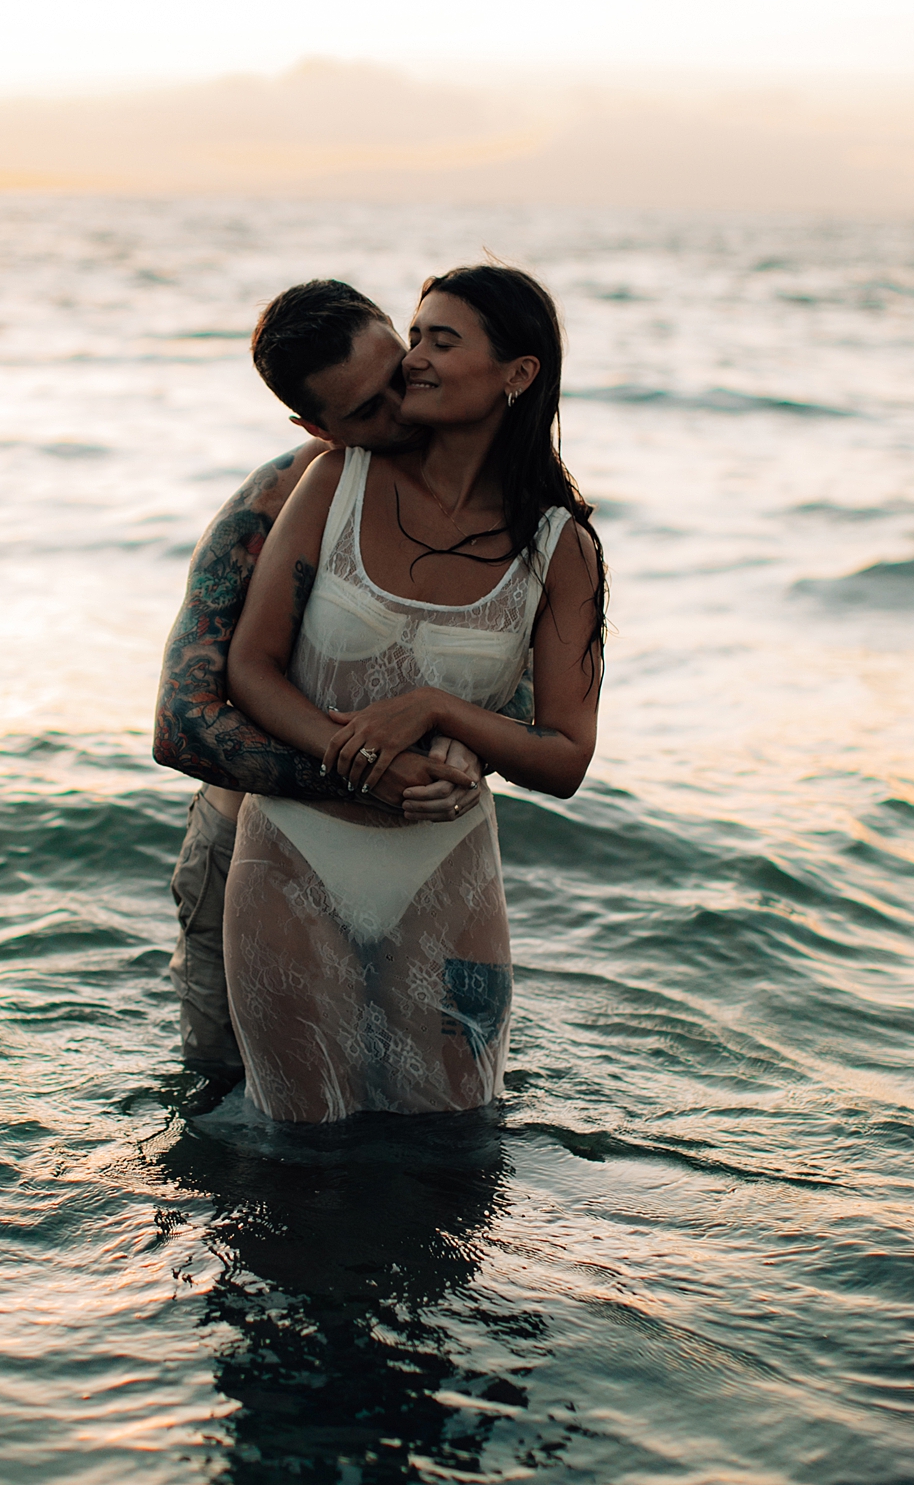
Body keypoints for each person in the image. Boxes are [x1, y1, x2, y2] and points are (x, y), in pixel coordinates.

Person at [224, 265, 606, 1124]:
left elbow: (567, 757)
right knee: (300, 1159)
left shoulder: (560, 547)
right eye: (417, 336)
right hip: (294, 856)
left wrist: (437, 709)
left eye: (440, 340)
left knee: (458, 1150)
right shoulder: (335, 481)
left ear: (519, 373)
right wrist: (354, 757)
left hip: (449, 871)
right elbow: (248, 670)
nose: (415, 364)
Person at [153, 280, 490, 1073]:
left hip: (420, 864)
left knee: (439, 1116)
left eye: (399, 377)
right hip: (248, 856)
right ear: (315, 426)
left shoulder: (487, 494)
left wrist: (471, 750)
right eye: (366, 412)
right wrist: (365, 776)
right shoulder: (275, 502)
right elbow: (183, 719)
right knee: (235, 1115)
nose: (401, 414)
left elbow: (525, 679)